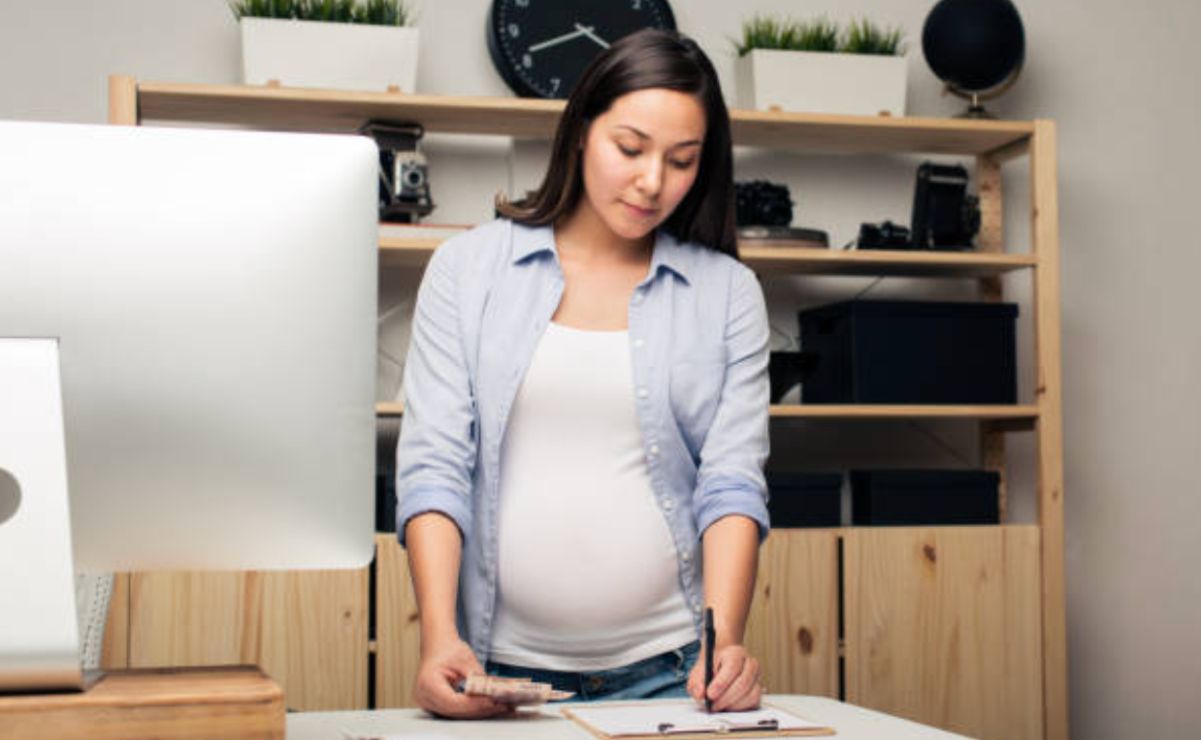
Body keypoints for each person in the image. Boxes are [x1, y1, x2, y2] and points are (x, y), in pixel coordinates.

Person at [395, 29, 770, 719]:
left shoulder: (726, 292)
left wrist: (727, 645)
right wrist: (440, 639)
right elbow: (434, 465)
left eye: (681, 161)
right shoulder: (467, 271)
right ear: (578, 133)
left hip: (674, 673)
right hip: (497, 674)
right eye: (629, 149)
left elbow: (730, 482)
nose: (652, 181)